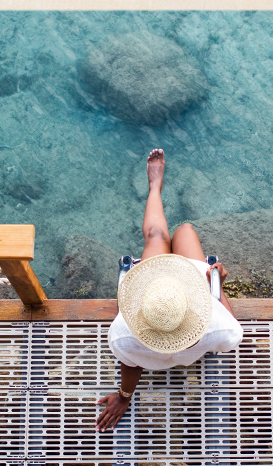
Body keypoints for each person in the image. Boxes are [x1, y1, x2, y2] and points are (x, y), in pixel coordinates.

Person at [95, 148, 243, 433]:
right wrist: (218, 285)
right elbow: (231, 324)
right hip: (192, 332)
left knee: (156, 236)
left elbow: (132, 366)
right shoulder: (219, 328)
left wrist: (124, 398)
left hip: (164, 305)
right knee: (185, 230)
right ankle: (156, 188)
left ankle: (154, 187)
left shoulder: (124, 334)